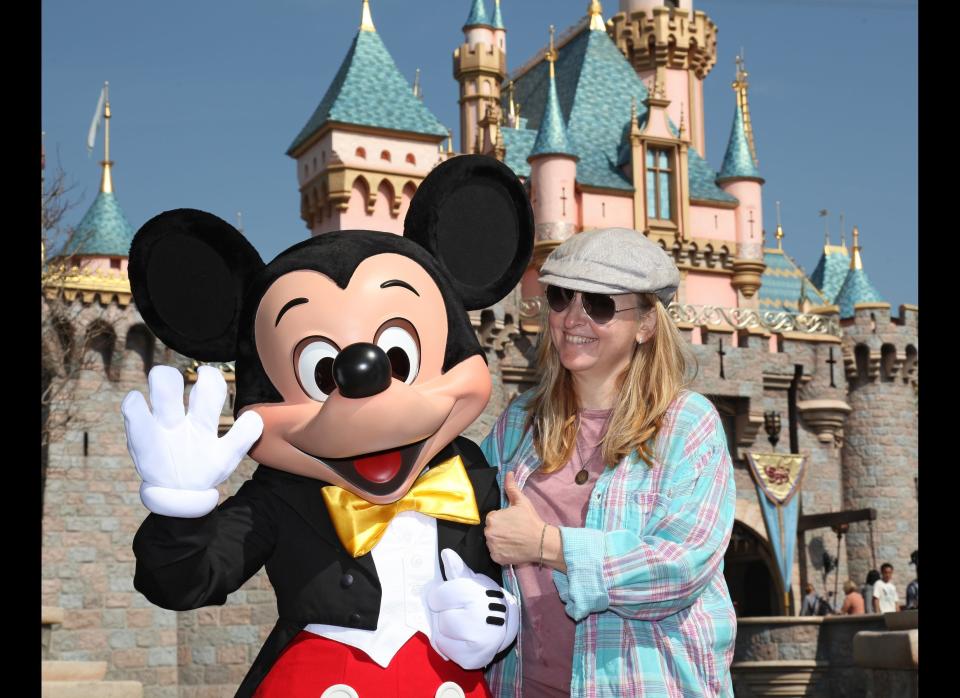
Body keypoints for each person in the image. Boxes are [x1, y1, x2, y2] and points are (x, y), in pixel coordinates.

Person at [480, 228, 737, 697]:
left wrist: (545, 544)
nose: (573, 317)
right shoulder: (520, 422)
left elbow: (679, 568)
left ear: (645, 324)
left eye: (599, 303)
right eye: (560, 297)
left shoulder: (686, 424)